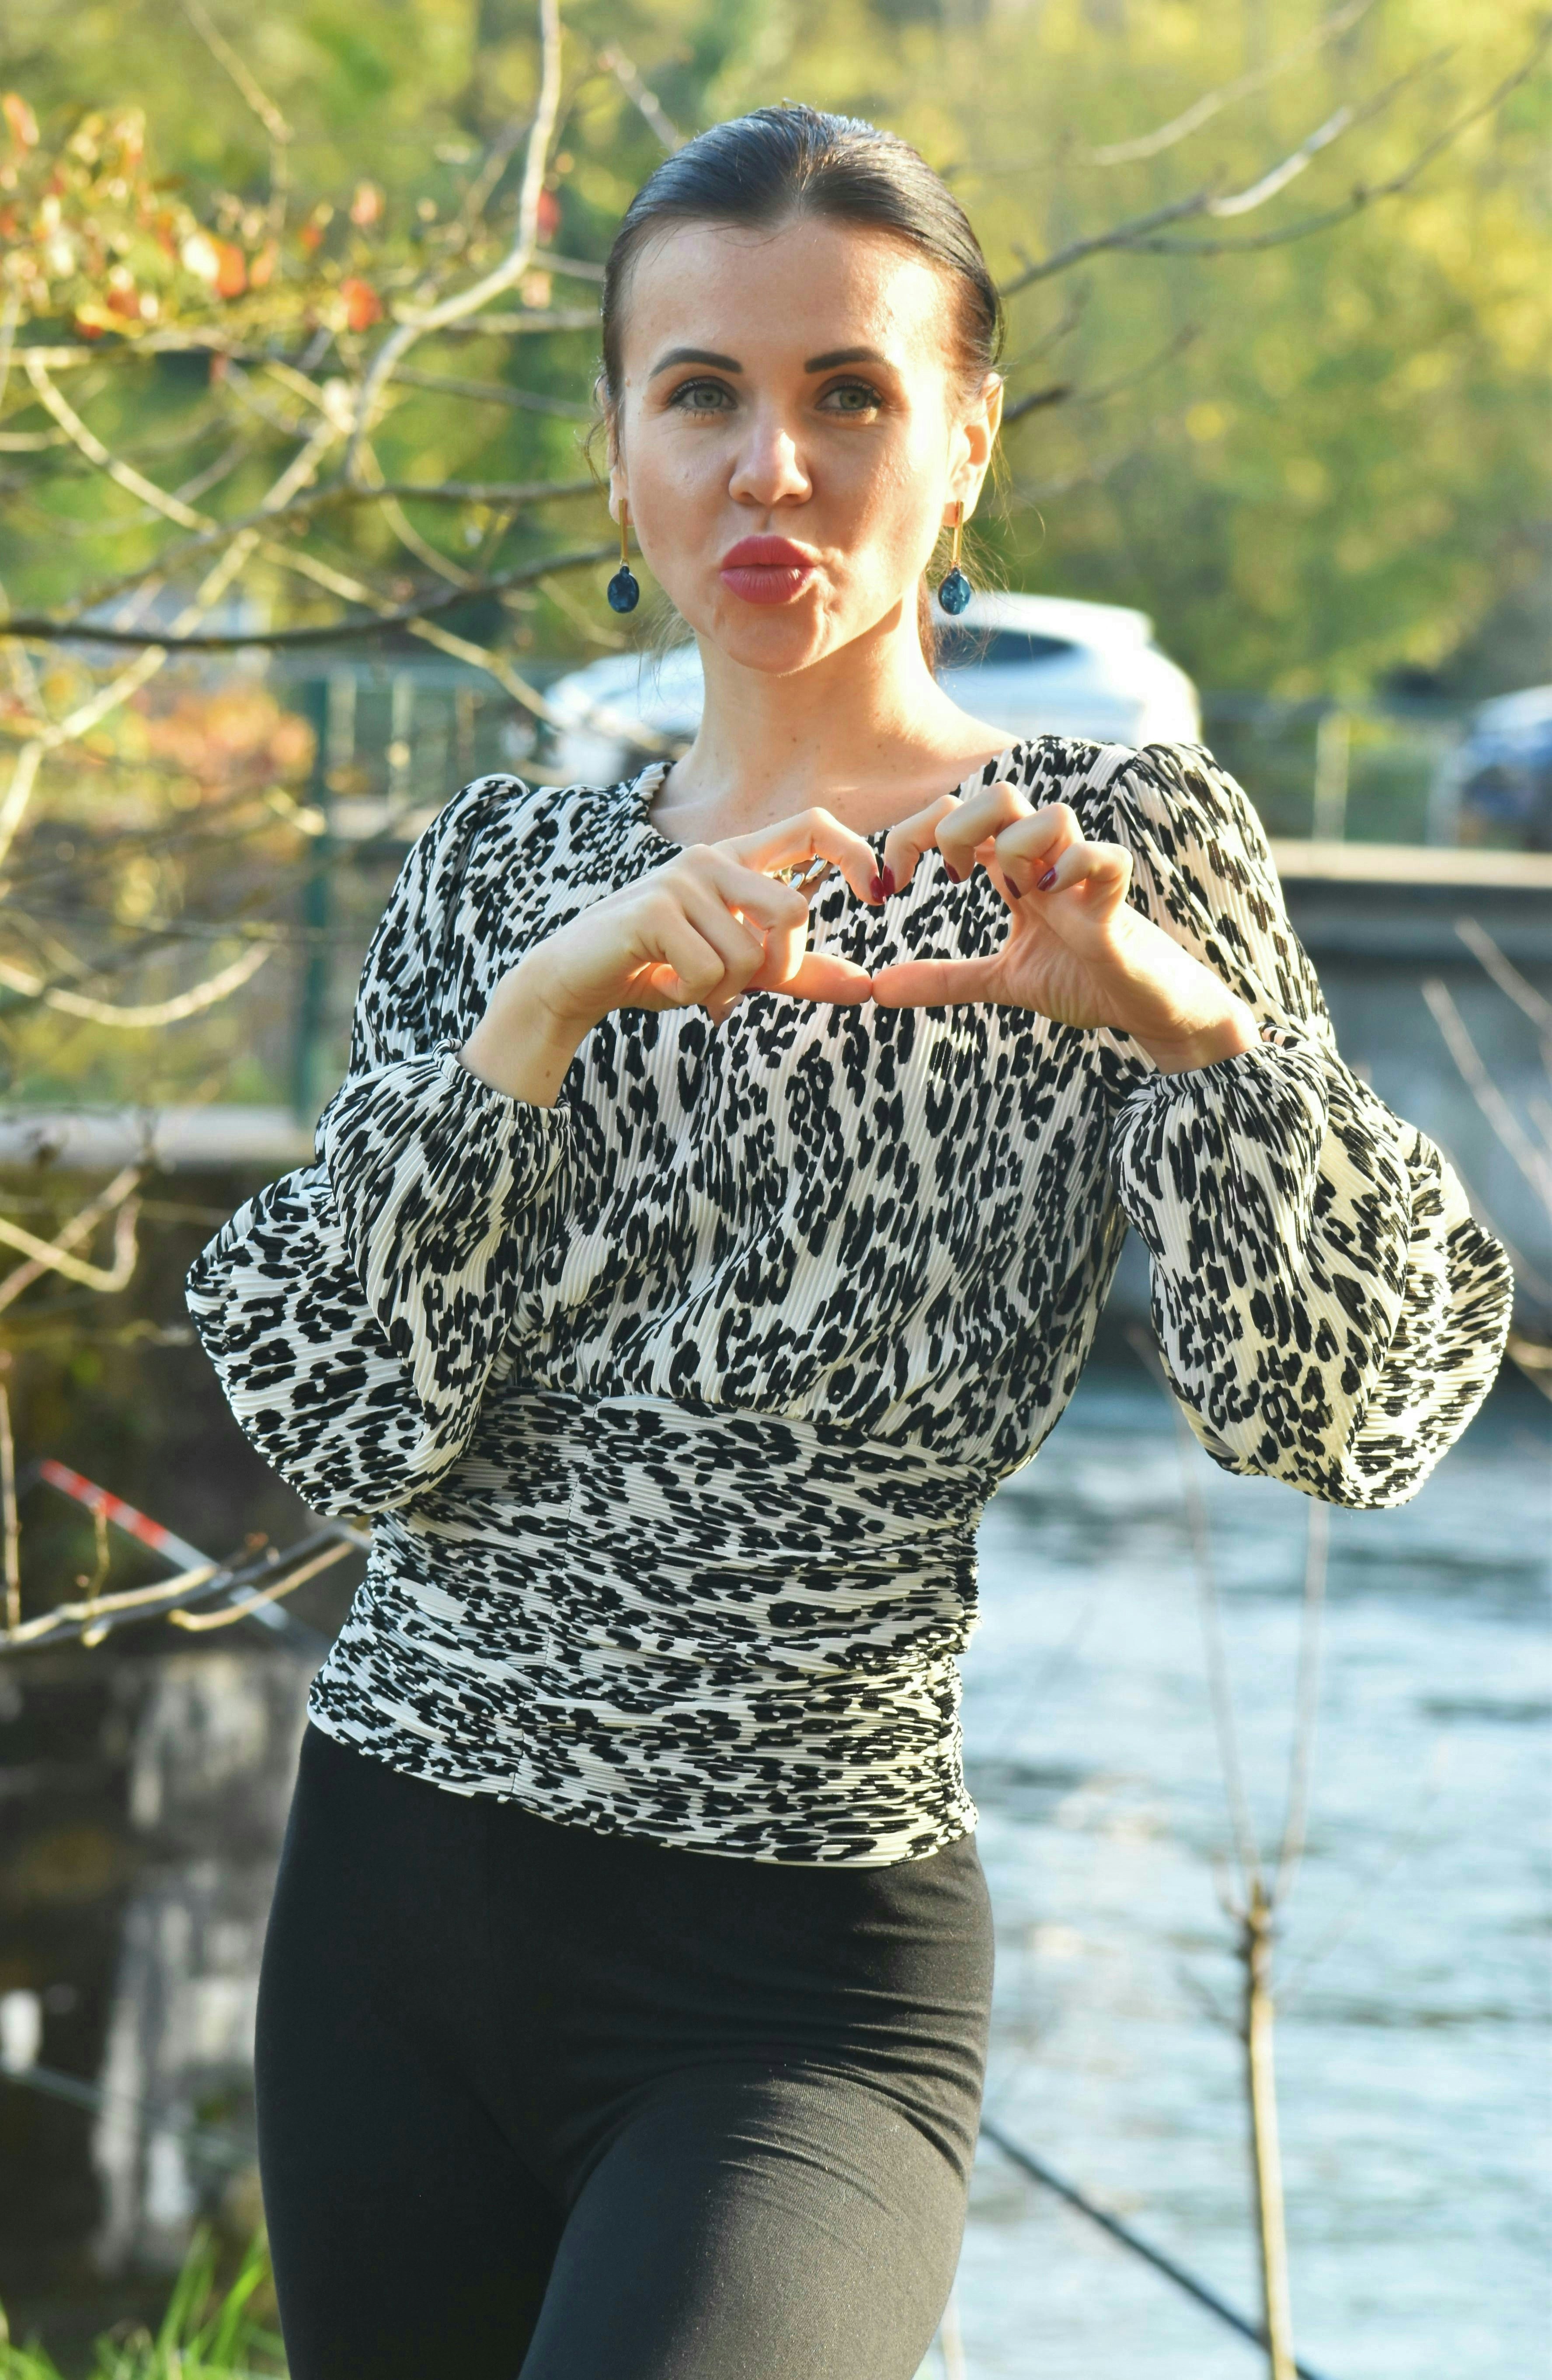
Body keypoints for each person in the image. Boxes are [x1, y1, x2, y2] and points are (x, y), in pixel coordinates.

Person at [186, 104, 1512, 2380]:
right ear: (617, 447)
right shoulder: (506, 877)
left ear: (967, 440)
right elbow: (341, 1422)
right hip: (401, 1900)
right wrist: (536, 1015)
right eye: (700, 392)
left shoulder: (1111, 849)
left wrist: (1200, 1038)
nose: (767, 468)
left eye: (849, 394)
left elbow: (1358, 1415)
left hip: (800, 1976)